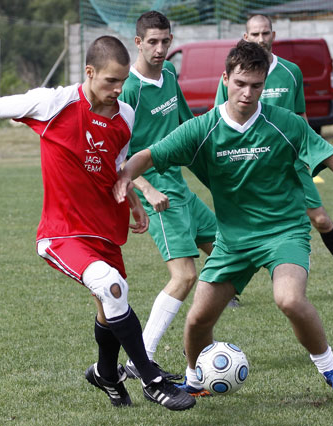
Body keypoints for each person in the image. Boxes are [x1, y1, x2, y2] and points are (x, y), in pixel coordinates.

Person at [0, 36, 195, 411]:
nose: (118, 89)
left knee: (108, 304)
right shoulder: (53, 103)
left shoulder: (125, 116)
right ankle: (150, 377)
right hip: (62, 233)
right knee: (112, 288)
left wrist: (134, 202)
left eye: (123, 81)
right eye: (110, 80)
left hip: (104, 231)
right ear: (89, 73)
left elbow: (116, 166)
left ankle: (105, 374)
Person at [114, 40, 333, 398]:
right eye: (240, 83)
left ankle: (331, 369)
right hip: (233, 240)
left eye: (256, 85)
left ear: (264, 84)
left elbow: (331, 156)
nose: (247, 93)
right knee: (198, 320)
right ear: (225, 78)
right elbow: (149, 155)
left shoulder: (284, 124)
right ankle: (195, 378)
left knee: (289, 299)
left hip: (284, 232)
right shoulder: (202, 130)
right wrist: (126, 176)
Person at [215, 14, 333, 301]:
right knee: (237, 222)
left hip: (289, 163)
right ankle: (224, 287)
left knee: (320, 219)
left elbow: (302, 119)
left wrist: (308, 156)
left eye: (265, 33)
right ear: (245, 38)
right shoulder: (234, 77)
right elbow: (221, 119)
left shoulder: (291, 72)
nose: (260, 39)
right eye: (254, 34)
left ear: (273, 35)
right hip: (248, 163)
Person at [118, 11, 218, 382]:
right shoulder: (128, 89)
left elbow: (184, 124)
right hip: (158, 191)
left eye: (166, 41)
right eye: (153, 42)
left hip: (180, 185)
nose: (160, 49)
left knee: (232, 249)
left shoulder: (170, 74)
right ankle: (141, 359)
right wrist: (145, 188)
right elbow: (118, 154)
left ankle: (199, 339)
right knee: (184, 275)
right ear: (138, 43)